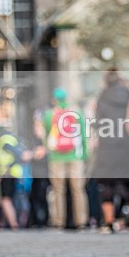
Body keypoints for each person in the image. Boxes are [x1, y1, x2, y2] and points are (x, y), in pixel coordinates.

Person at [93, 68, 129, 233]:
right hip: (127, 143)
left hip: (107, 145)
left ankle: (109, 221)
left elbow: (98, 122)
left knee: (107, 184)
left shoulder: (102, 97)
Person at [42, 88, 88, 229]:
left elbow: (46, 137)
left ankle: (58, 221)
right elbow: (84, 136)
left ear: (53, 99)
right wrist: (85, 154)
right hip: (75, 156)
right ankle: (81, 221)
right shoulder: (77, 113)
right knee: (78, 190)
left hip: (56, 157)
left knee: (58, 190)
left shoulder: (49, 115)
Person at [0, 125, 24, 229]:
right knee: (8, 199)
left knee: (5, 199)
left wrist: (8, 167)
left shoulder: (4, 140)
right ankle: (2, 222)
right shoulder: (12, 138)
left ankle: (13, 223)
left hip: (7, 174)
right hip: (14, 174)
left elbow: (17, 155)